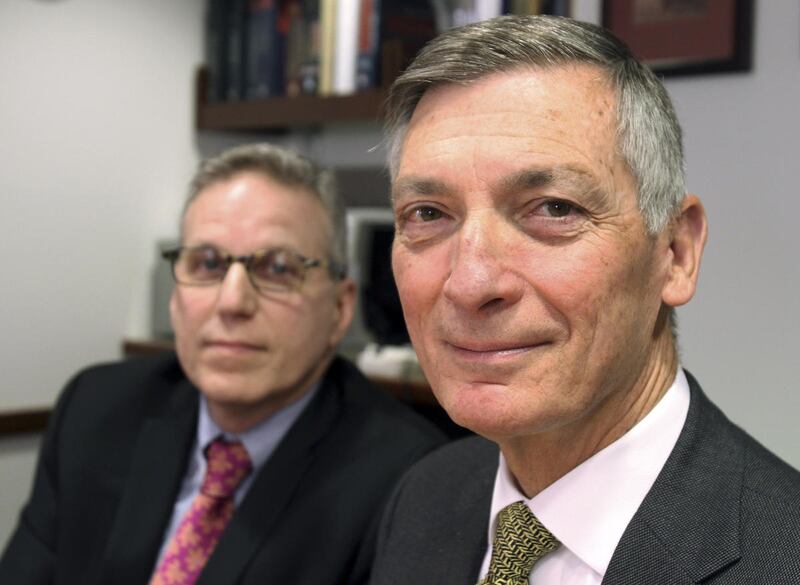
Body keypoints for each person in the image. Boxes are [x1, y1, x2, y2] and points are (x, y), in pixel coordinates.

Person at [370, 15, 800, 585]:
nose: (470, 283)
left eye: (553, 209)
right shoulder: (427, 495)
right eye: (428, 214)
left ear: (675, 252)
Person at [0, 143, 446, 585]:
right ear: (176, 295)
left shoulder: (409, 484)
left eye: (277, 268)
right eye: (207, 264)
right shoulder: (95, 409)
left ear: (339, 308)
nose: (232, 302)